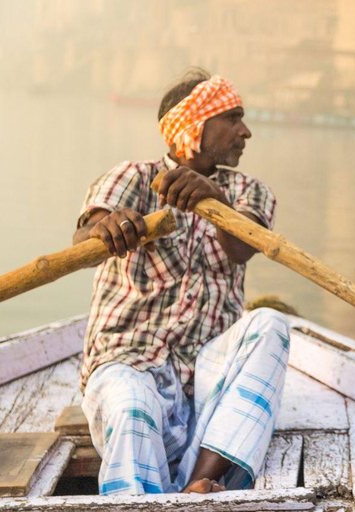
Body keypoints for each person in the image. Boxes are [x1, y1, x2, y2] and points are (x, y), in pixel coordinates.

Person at [72, 69, 289, 496]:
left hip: (208, 376)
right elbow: (83, 238)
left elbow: (243, 247)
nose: (245, 132)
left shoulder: (249, 191)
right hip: (129, 361)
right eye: (232, 118)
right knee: (132, 407)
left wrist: (215, 199)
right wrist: (108, 226)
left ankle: (200, 481)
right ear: (192, 124)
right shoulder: (132, 177)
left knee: (270, 325)